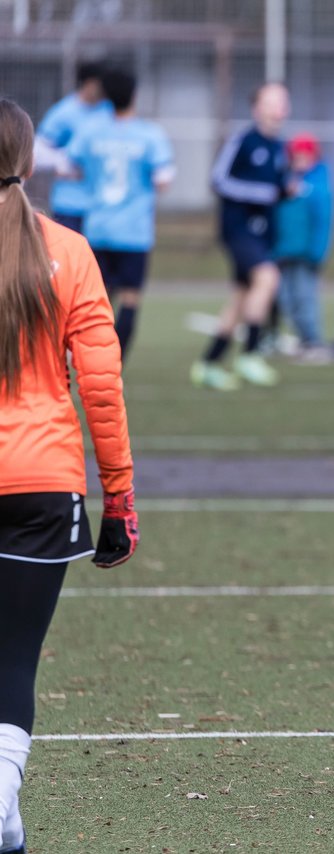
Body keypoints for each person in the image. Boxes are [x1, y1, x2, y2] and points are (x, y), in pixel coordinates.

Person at [0, 98, 139, 854]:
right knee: (14, 657)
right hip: (43, 484)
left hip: (35, 484)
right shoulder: (70, 251)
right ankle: (3, 812)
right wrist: (118, 495)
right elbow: (103, 389)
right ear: (27, 161)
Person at [64, 67, 175, 362]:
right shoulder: (149, 135)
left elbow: (68, 166)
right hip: (134, 232)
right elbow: (164, 178)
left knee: (97, 301)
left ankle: (82, 357)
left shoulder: (91, 133)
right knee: (130, 299)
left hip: (98, 227)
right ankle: (114, 364)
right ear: (134, 96)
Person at [192, 81, 292, 391]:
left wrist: (288, 188)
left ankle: (208, 363)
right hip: (238, 230)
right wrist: (267, 192)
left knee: (241, 297)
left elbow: (277, 190)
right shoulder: (244, 141)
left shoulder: (279, 148)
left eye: (282, 102)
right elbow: (219, 180)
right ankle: (249, 354)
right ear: (256, 108)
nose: (278, 107)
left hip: (262, 234)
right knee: (268, 278)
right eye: (271, 101)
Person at [274, 131, 334, 362]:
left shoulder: (319, 184)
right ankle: (302, 338)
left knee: (304, 297)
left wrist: (318, 251)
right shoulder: (286, 181)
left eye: (304, 155)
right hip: (284, 251)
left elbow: (323, 220)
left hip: (306, 254)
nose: (300, 160)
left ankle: (313, 340)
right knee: (286, 298)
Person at [34, 60, 110, 233]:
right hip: (70, 202)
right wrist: (64, 163)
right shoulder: (64, 113)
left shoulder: (108, 111)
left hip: (101, 204)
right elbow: (37, 151)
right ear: (89, 83)